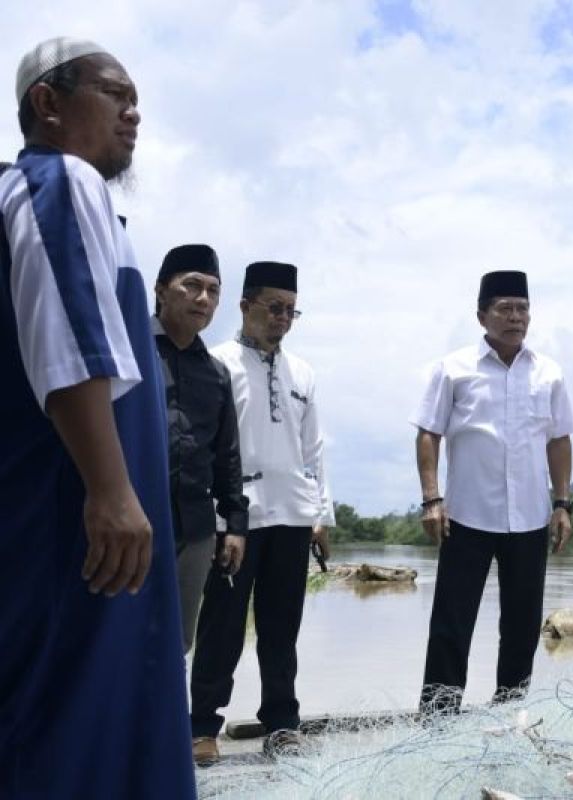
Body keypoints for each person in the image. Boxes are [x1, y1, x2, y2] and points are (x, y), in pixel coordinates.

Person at [0, 37, 195, 798]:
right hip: (73, 515)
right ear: (48, 103)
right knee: (67, 716)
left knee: (102, 707)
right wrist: (112, 492)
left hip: (73, 509)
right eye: (115, 94)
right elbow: (71, 337)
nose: (134, 111)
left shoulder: (52, 195)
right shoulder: (58, 182)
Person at [189, 261, 334, 763]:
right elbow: (206, 445)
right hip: (236, 520)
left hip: (293, 517)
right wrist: (219, 516)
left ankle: (282, 723)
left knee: (281, 628)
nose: (283, 318)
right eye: (274, 307)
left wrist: (321, 516)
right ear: (246, 306)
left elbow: (314, 451)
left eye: (292, 310)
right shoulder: (216, 363)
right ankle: (203, 725)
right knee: (222, 626)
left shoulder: (304, 373)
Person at [413, 270, 573, 715]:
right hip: (465, 516)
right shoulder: (453, 369)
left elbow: (559, 440)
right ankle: (438, 718)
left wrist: (562, 504)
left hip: (528, 517)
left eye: (522, 309)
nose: (515, 317)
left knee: (523, 626)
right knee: (452, 622)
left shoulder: (549, 374)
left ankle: (510, 712)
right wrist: (432, 499)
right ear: (482, 315)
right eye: (504, 309)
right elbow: (429, 433)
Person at [153, 243, 248, 653]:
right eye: (192, 286)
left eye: (213, 290)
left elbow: (227, 456)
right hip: (132, 523)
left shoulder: (216, 373)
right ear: (160, 290)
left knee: (177, 646)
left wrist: (234, 525)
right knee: (115, 642)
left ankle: (169, 720)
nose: (203, 299)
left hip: (195, 531)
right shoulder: (126, 351)